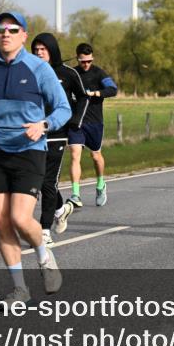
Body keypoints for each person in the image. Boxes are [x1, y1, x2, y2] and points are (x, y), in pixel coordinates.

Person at [0, 11, 71, 302]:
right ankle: (20, 288)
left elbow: (62, 109)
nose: (5, 33)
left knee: (20, 218)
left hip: (29, 150)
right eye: (0, 29)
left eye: (12, 29)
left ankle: (45, 258)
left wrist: (42, 125)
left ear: (23, 35)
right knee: (1, 220)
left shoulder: (39, 69)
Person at [30, 33, 85, 245]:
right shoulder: (28, 72)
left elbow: (82, 97)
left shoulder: (67, 74)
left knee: (48, 181)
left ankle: (44, 230)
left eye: (42, 49)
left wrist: (75, 121)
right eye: (35, 50)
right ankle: (62, 209)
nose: (38, 53)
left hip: (57, 134)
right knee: (39, 181)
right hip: (33, 135)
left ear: (52, 50)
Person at [58, 43, 118, 228]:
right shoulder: (72, 74)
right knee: (75, 155)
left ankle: (101, 184)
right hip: (77, 123)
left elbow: (113, 89)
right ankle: (75, 193)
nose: (86, 64)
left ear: (92, 58)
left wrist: (96, 93)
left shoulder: (99, 74)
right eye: (83, 61)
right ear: (77, 58)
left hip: (94, 122)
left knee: (95, 156)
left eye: (89, 61)